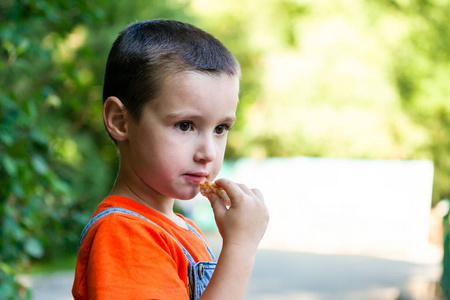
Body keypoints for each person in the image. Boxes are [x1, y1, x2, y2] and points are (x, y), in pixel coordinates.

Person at [72, 19, 269, 300]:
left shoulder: (179, 228)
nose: (208, 153)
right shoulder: (125, 234)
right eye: (185, 125)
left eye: (220, 129)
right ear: (120, 121)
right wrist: (240, 248)